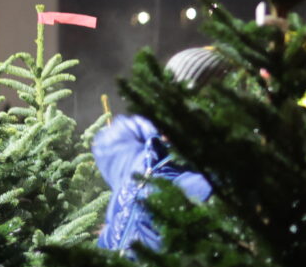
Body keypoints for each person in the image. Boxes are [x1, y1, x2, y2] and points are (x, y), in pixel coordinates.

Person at [95, 46, 231, 256]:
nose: (166, 113)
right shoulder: (141, 157)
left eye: (182, 106)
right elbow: (110, 137)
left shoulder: (211, 186)